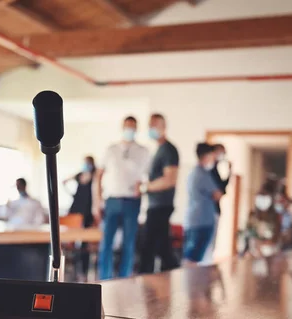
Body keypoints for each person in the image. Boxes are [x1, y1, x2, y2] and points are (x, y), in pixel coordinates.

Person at [93, 116, 150, 280]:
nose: (130, 130)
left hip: (132, 200)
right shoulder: (111, 150)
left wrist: (142, 188)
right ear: (122, 127)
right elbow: (99, 176)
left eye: (133, 127)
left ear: (137, 129)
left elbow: (147, 178)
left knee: (129, 243)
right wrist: (97, 202)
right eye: (127, 126)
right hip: (112, 200)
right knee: (107, 243)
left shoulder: (143, 151)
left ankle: (125, 278)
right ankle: (105, 278)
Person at [139, 113, 180, 274]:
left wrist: (145, 187)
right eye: (150, 125)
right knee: (160, 248)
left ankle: (146, 281)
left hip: (161, 206)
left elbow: (170, 179)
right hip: (155, 205)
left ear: (163, 127)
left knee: (150, 248)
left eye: (154, 125)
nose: (151, 128)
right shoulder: (158, 150)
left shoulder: (169, 150)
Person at [182, 143, 223, 266]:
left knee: (192, 255)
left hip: (194, 219)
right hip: (201, 221)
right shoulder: (202, 174)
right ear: (206, 156)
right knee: (194, 257)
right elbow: (217, 194)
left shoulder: (194, 172)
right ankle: (191, 283)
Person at [64, 156, 96, 281]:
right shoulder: (79, 175)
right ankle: (74, 270)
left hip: (87, 212)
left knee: (84, 243)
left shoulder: (94, 176)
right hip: (75, 211)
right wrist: (72, 194)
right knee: (72, 242)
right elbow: (64, 181)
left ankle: (83, 271)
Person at [202, 143, 231, 264]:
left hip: (213, 211)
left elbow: (221, 190)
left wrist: (230, 172)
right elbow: (218, 192)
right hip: (207, 212)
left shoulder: (214, 170)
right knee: (206, 243)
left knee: (211, 243)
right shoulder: (207, 171)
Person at [245, 181, 282, 258]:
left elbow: (276, 238)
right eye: (261, 196)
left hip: (270, 254)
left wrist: (263, 244)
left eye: (265, 196)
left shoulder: (276, 217)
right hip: (254, 255)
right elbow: (247, 236)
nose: (262, 199)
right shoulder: (252, 216)